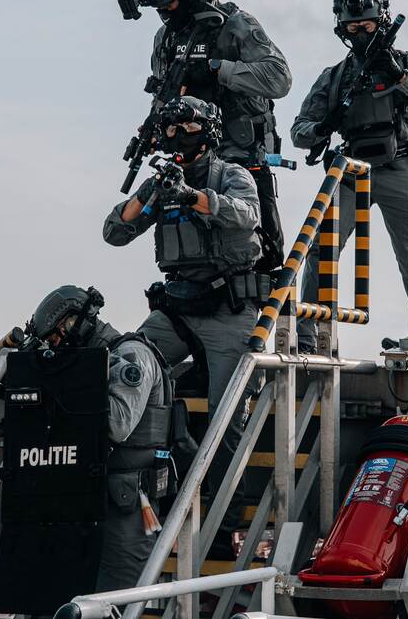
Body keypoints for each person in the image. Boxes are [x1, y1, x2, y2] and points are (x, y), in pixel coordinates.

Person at [103, 95, 267, 558]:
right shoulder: (162, 183)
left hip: (227, 308)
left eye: (186, 127)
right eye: (169, 130)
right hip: (177, 308)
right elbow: (114, 232)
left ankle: (224, 522)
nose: (177, 136)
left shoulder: (230, 173)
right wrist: (149, 194)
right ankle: (134, 489)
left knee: (226, 415)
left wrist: (192, 197)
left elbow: (246, 214)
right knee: (123, 363)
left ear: (207, 131)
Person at [290, 0, 408, 352]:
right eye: (352, 28)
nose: (360, 33)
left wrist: (400, 77)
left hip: (401, 167)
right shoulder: (335, 76)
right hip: (352, 171)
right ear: (342, 30)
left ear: (380, 23)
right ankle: (307, 335)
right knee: (320, 250)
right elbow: (300, 129)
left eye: (367, 25)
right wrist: (322, 127)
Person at [130, 0, 292, 271]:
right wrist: (152, 130)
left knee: (263, 252)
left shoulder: (233, 25)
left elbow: (280, 78)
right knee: (196, 254)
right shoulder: (166, 39)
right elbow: (162, 94)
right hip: (193, 159)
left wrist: (219, 69)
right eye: (161, 9)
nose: (167, 13)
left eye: (171, 5)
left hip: (240, 153)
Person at [21, 284, 172, 592]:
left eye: (55, 337)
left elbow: (117, 424)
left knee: (120, 598)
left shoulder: (130, 355)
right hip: (91, 495)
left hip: (129, 501)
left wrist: (82, 370)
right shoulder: (97, 360)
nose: (55, 345)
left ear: (77, 322)